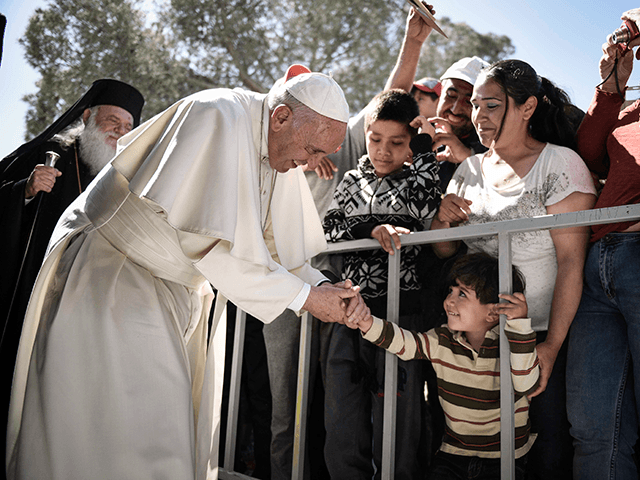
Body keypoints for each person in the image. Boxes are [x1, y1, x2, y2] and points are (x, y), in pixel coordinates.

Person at [5, 67, 367, 480]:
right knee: (116, 437)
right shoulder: (218, 115)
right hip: (115, 275)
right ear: (283, 116)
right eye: (314, 150)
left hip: (170, 292)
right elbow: (208, 245)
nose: (312, 163)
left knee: (163, 430)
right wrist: (306, 299)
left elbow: (276, 248)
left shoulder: (280, 148)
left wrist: (324, 287)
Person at [431, 59, 597, 479]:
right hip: (473, 343)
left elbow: (572, 263)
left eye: (491, 105)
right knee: (475, 452)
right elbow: (444, 249)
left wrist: (552, 345)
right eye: (474, 105)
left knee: (546, 448)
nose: (478, 116)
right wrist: (442, 219)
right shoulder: (467, 171)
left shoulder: (560, 166)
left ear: (526, 108)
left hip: (538, 337)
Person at [0, 78, 144, 480]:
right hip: (29, 291)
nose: (118, 132)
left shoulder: (118, 177)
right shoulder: (51, 153)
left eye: (127, 127)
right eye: (112, 121)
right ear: (87, 117)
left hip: (82, 300)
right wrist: (24, 191)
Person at [322, 88, 441, 479]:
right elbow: (330, 227)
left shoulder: (416, 178)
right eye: (376, 139)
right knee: (343, 412)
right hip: (350, 311)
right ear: (367, 132)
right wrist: (371, 228)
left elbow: (426, 208)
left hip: (401, 315)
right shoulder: (352, 179)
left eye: (397, 142)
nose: (384, 151)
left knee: (399, 416)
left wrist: (424, 145)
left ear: (410, 143)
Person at [349, 252, 539, 480]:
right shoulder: (443, 339)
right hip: (454, 453)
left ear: (493, 311)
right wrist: (366, 322)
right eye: (451, 291)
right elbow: (406, 343)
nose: (449, 300)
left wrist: (519, 326)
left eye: (462, 294)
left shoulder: (512, 342)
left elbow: (525, 383)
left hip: (505, 457)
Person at [566, 9, 640, 479]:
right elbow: (587, 155)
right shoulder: (630, 110)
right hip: (598, 262)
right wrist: (611, 85)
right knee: (592, 424)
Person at [384, 14, 489, 191]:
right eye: (451, 95)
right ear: (440, 94)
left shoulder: (495, 146)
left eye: (469, 101)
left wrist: (470, 158)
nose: (455, 109)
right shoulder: (419, 137)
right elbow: (387, 110)